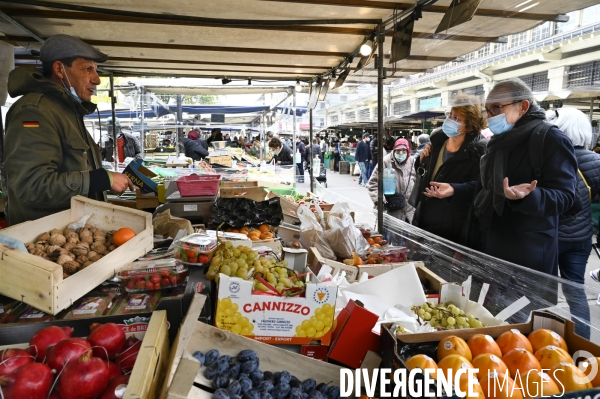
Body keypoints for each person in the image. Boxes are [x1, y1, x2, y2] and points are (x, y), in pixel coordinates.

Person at [427, 78, 577, 276]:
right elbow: (487, 188)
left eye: (497, 108)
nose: (490, 116)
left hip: (524, 255)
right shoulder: (497, 142)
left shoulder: (549, 138)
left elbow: (566, 196)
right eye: (488, 110)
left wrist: (529, 197)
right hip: (485, 243)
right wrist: (456, 189)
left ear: (523, 106)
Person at [4, 34, 134, 226]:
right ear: (59, 69)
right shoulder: (35, 111)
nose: (97, 80)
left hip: (73, 238)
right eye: (88, 69)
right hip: (45, 243)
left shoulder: (68, 112)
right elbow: (32, 186)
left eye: (95, 70)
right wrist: (102, 179)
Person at [547, 107, 599, 339]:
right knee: (576, 293)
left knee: (542, 292)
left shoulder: (552, 158)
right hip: (581, 238)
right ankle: (583, 346)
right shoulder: (597, 161)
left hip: (550, 235)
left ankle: (543, 343)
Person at [411, 94, 488, 245]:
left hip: (453, 225)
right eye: (450, 115)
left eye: (457, 119)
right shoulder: (437, 141)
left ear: (471, 126)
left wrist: (454, 189)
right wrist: (420, 160)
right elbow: (423, 173)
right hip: (423, 215)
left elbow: (482, 187)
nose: (449, 121)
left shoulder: (479, 150)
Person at [367, 139, 416, 223]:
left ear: (408, 151)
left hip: (409, 213)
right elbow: (372, 184)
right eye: (398, 150)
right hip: (390, 213)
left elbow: (418, 183)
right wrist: (380, 201)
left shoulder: (413, 162)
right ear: (394, 150)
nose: (401, 153)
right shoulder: (385, 162)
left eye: (404, 150)